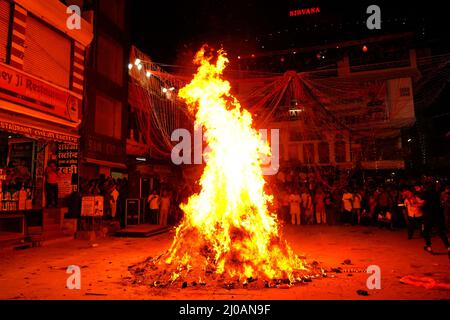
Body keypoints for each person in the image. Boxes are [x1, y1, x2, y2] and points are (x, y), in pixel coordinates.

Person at [421, 183, 450, 258]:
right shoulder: (437, 193)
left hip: (428, 215)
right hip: (437, 215)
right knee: (441, 232)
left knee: (426, 231)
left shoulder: (425, 193)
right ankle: (449, 247)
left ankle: (429, 247)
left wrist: (418, 204)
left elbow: (423, 203)